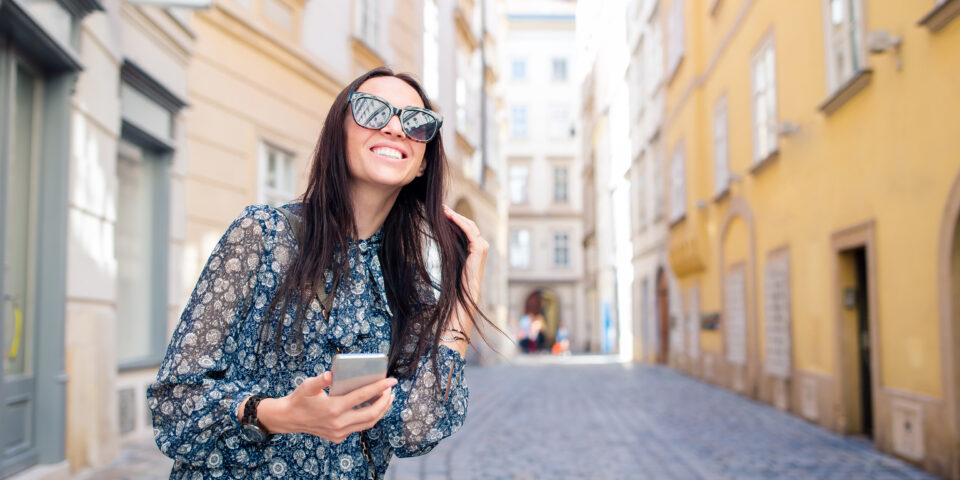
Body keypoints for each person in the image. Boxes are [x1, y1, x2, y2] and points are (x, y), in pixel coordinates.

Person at [147, 67, 491, 479]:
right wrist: (279, 414)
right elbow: (174, 404)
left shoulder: (405, 283)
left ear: (421, 164)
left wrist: (464, 294)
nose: (396, 128)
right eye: (372, 110)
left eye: (417, 123)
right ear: (338, 134)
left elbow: (415, 430)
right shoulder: (262, 235)